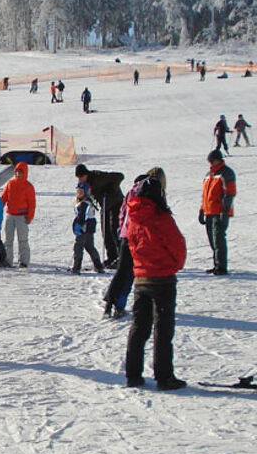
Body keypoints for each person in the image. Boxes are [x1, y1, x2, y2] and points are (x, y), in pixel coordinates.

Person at [124, 176, 187, 391]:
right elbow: (177, 246)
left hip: (141, 279)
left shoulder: (134, 217)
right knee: (163, 329)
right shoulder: (162, 218)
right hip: (162, 279)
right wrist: (174, 265)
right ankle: (164, 376)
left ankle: (133, 374)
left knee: (139, 328)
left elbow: (132, 246)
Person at [103, 168, 165, 319]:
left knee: (121, 271)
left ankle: (110, 302)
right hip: (141, 237)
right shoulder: (154, 193)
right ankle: (120, 304)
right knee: (132, 274)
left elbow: (122, 212)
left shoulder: (131, 192)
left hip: (126, 234)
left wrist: (121, 229)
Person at [75, 164, 125, 268]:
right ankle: (112, 257)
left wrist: (111, 188)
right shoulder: (86, 182)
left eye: (81, 177)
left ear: (86, 174)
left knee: (114, 229)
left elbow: (120, 176)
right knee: (105, 231)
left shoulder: (98, 176)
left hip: (116, 203)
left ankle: (120, 258)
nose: (80, 179)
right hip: (105, 206)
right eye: (78, 177)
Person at [199, 149, 236, 275]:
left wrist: (224, 212)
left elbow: (229, 193)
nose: (210, 163)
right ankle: (216, 264)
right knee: (212, 240)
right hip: (209, 211)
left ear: (219, 160)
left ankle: (221, 266)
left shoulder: (226, 173)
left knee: (218, 239)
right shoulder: (208, 174)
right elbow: (205, 195)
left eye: (212, 161)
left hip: (219, 211)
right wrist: (202, 210)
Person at [1, 162, 36, 268]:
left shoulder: (28, 186)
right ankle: (7, 260)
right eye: (16, 172)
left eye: (20, 172)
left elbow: (32, 203)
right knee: (8, 239)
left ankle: (23, 261)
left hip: (22, 216)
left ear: (25, 173)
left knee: (23, 240)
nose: (18, 174)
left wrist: (30, 216)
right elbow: (3, 198)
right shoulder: (10, 183)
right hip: (10, 215)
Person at [71, 187, 105, 274]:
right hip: (89, 227)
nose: (79, 193)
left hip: (84, 228)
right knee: (89, 246)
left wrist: (79, 226)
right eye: (78, 191)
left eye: (81, 192)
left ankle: (76, 267)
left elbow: (83, 216)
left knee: (78, 247)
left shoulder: (84, 203)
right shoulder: (87, 202)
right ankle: (98, 266)